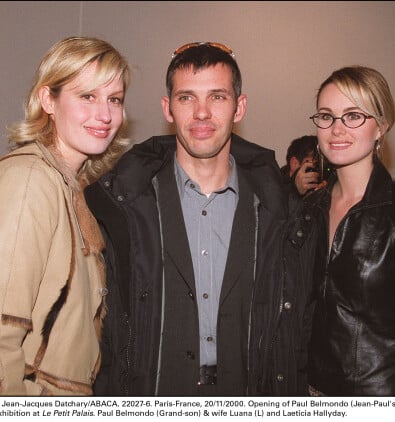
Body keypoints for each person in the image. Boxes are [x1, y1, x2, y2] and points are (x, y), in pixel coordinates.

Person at [85, 42, 308, 396]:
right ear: (168, 108)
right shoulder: (124, 206)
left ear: (240, 107)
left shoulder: (277, 212)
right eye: (187, 98)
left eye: (217, 97)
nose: (201, 113)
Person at [0, 36, 131, 395]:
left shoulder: (68, 186)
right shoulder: (28, 182)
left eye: (115, 99)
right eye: (87, 96)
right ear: (48, 99)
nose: (105, 115)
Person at [301, 65, 395, 396]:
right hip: (307, 393)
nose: (336, 129)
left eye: (353, 116)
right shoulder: (308, 211)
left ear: (381, 126)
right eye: (326, 116)